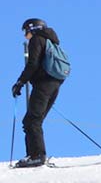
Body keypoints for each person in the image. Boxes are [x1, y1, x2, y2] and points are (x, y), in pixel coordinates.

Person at [12, 18, 65, 168]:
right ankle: (35, 155)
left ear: (33, 29)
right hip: (55, 84)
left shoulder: (37, 40)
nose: (25, 36)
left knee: (31, 121)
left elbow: (33, 63)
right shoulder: (51, 41)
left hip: (43, 84)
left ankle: (37, 156)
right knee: (34, 120)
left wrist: (20, 82)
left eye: (26, 32)